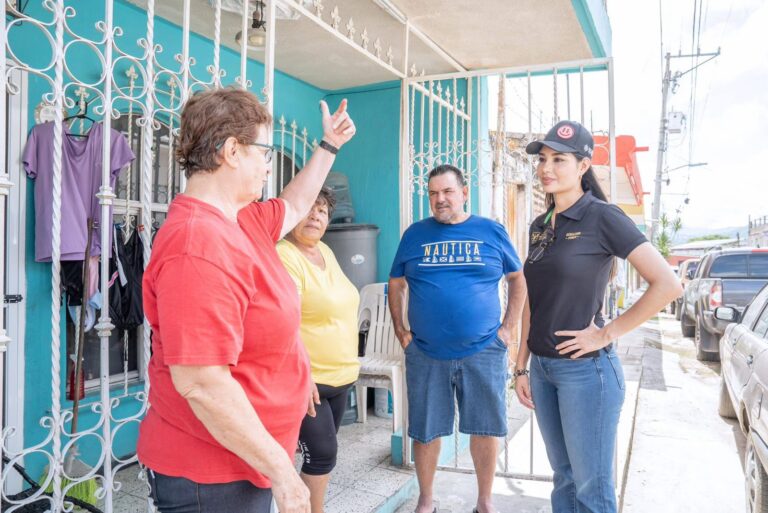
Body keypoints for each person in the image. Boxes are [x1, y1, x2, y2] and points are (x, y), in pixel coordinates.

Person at [137, 88, 355, 513]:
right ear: (232, 151)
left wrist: (329, 145)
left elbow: (295, 203)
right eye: (264, 151)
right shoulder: (197, 244)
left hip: (246, 463)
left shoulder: (241, 219)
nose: (269, 164)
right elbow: (202, 382)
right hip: (211, 478)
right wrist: (284, 474)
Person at [514, 120, 682, 513]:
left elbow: (668, 284)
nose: (546, 168)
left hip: (586, 373)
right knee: (564, 479)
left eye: (559, 159)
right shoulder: (540, 225)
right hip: (543, 371)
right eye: (543, 159)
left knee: (592, 489)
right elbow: (532, 299)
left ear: (584, 166)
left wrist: (605, 334)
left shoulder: (603, 217)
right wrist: (521, 365)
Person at [388, 164, 527, 513]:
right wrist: (401, 332)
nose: (440, 199)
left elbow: (517, 279)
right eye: (433, 193)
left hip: (483, 349)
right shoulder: (415, 235)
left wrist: (507, 329)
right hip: (426, 351)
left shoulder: (491, 231)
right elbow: (396, 283)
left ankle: (484, 502)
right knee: (425, 430)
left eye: (448, 191)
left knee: (485, 428)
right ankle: (426, 500)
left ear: (464, 193)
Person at [276, 187, 360, 513]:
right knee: (322, 455)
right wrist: (303, 373)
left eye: (322, 211)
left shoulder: (324, 250)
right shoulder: (285, 254)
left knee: (320, 457)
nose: (315, 216)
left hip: (339, 379)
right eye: (309, 208)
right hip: (308, 381)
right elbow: (284, 321)